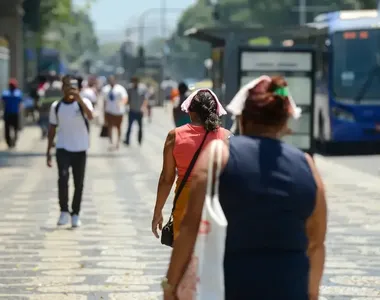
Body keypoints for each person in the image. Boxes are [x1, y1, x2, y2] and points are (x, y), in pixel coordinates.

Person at [162, 76, 327, 300]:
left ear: (243, 117)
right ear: (284, 121)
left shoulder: (218, 156)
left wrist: (171, 285)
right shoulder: (307, 165)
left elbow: (190, 227)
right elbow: (316, 242)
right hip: (290, 287)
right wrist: (312, 294)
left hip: (231, 286)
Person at [152, 89, 231, 242]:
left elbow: (166, 179)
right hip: (216, 205)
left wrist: (158, 211)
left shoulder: (174, 136)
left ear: (191, 112)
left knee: (185, 257)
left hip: (185, 205)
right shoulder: (227, 137)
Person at [46, 75, 94, 228]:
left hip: (80, 149)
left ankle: (75, 213)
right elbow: (52, 128)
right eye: (67, 86)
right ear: (62, 88)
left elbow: (91, 116)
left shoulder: (84, 103)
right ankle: (64, 211)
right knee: (63, 178)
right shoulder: (56, 106)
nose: (70, 89)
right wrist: (48, 151)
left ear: (79, 89)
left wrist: (79, 99)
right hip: (63, 148)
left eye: (73, 86)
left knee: (78, 182)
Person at [102, 75, 128, 150]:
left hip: (118, 112)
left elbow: (125, 98)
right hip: (109, 111)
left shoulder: (120, 89)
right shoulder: (105, 89)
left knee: (118, 128)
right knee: (109, 127)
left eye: (112, 80)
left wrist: (121, 103)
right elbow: (104, 101)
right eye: (110, 80)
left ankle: (117, 142)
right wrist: (104, 112)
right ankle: (111, 142)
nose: (111, 82)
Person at [124, 76, 148, 146]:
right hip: (132, 110)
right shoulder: (130, 89)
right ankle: (127, 140)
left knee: (140, 127)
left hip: (139, 111)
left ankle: (139, 140)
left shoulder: (142, 89)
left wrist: (143, 107)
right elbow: (127, 99)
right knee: (129, 126)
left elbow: (145, 99)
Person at [1, 79, 23, 148]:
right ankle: (10, 142)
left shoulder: (14, 93)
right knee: (9, 129)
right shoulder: (8, 93)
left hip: (13, 113)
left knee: (13, 129)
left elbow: (20, 104)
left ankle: (12, 141)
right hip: (10, 113)